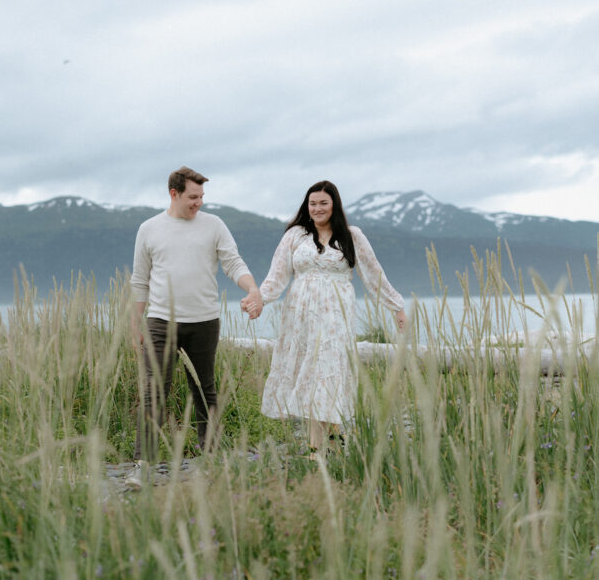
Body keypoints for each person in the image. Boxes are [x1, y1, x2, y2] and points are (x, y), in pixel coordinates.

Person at [127, 166, 263, 487]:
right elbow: (139, 280)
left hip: (204, 321)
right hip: (160, 323)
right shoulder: (149, 229)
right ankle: (144, 465)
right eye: (192, 197)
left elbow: (233, 262)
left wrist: (252, 288)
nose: (198, 203)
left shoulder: (214, 225)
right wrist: (136, 325)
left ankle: (210, 461)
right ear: (173, 194)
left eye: (202, 196)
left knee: (204, 392)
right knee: (153, 393)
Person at [258, 180, 407, 458]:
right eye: (312, 203)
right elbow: (276, 276)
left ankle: (316, 448)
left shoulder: (352, 235)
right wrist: (258, 300)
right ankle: (334, 434)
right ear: (307, 206)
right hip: (300, 315)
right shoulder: (295, 236)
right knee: (310, 370)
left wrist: (396, 306)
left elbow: (374, 274)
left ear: (334, 205)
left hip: (336, 314)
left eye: (323, 203)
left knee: (326, 370)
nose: (317, 208)